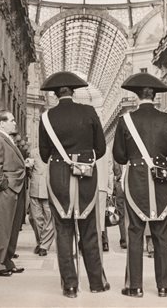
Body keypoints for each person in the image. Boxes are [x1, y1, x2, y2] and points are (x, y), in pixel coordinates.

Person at [38, 71, 109, 298]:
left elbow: (43, 153)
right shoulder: (88, 111)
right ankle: (96, 282)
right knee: (89, 229)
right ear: (74, 91)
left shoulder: (47, 117)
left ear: (56, 94)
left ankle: (70, 285)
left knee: (63, 230)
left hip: (58, 176)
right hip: (86, 175)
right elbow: (101, 148)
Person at [113, 72, 167, 298]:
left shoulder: (126, 121)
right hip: (162, 181)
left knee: (135, 232)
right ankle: (164, 287)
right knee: (162, 232)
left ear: (136, 96)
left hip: (136, 181)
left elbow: (120, 156)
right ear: (155, 96)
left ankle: (135, 286)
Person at [0, 110, 26, 276]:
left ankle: (7, 260)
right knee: (2, 226)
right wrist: (4, 185)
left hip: (13, 187)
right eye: (12, 120)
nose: (14, 123)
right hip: (6, 189)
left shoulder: (5, 138)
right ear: (2, 123)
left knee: (12, 227)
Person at [29, 147, 54, 256]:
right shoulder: (34, 152)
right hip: (35, 188)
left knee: (50, 219)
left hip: (50, 189)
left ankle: (44, 246)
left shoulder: (55, 151)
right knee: (35, 218)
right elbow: (29, 169)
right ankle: (40, 242)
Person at [96, 147, 114, 252]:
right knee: (101, 217)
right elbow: (109, 170)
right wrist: (110, 189)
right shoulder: (106, 149)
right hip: (102, 186)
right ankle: (101, 242)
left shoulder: (87, 143)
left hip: (88, 186)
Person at [113, 161, 127, 249]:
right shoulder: (117, 158)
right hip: (120, 187)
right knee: (121, 214)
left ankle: (127, 238)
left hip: (132, 184)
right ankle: (124, 239)